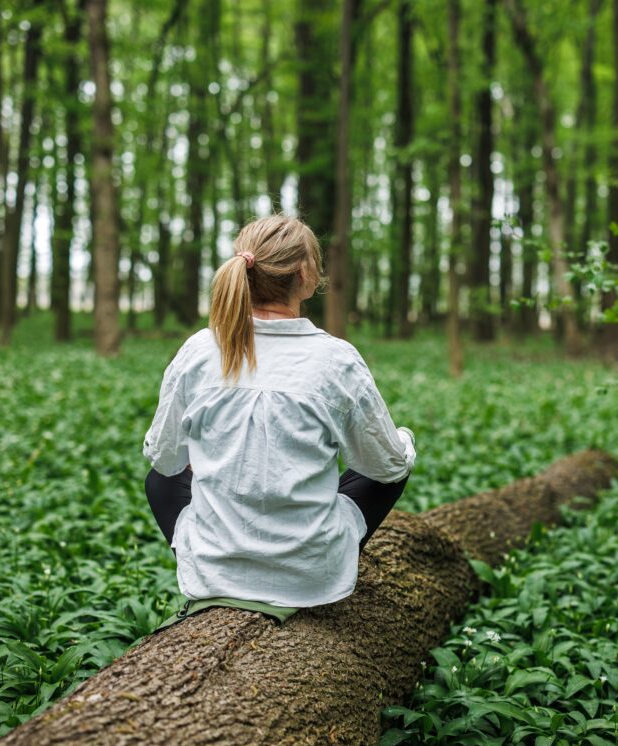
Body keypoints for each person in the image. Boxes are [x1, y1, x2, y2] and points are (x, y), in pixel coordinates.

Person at [142, 214, 416, 615]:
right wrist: (405, 443)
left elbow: (164, 459)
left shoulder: (199, 350)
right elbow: (386, 467)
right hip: (313, 578)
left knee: (160, 479)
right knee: (392, 463)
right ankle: (300, 559)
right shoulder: (336, 360)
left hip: (211, 573)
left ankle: (223, 566)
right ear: (305, 276)